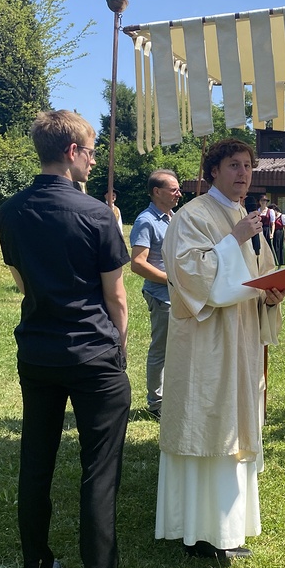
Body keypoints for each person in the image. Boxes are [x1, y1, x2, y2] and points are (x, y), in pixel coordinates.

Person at [0, 110, 152, 568]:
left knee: (35, 464)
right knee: (99, 471)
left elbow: (21, 281)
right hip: (92, 356)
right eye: (89, 151)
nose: (92, 159)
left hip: (38, 352)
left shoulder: (10, 211)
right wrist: (119, 348)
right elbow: (116, 296)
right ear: (71, 152)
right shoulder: (97, 215)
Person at [156, 138, 285, 560]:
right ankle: (199, 530)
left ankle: (228, 526)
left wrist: (272, 295)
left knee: (234, 426)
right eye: (233, 165)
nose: (243, 173)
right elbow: (190, 276)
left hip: (241, 340)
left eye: (247, 165)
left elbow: (260, 275)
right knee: (208, 424)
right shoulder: (192, 215)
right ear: (213, 170)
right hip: (206, 344)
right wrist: (233, 240)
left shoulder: (244, 217)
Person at [129, 169, 181, 421]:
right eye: (174, 189)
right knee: (161, 350)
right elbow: (137, 263)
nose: (179, 193)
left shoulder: (173, 218)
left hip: (178, 295)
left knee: (179, 349)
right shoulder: (146, 221)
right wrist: (171, 281)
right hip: (162, 297)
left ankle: (173, 398)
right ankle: (156, 404)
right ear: (157, 192)